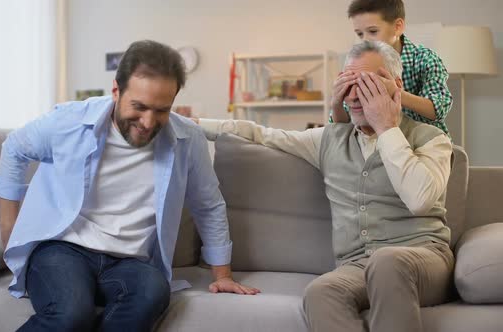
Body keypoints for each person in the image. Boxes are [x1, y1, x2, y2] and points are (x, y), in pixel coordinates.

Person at [0, 39, 259, 332]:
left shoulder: (188, 139)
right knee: (71, 313)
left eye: (162, 110)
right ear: (116, 91)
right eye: (140, 106)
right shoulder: (68, 121)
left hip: (130, 261)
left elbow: (207, 205)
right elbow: (14, 148)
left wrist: (222, 274)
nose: (148, 122)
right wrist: (9, 226)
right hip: (62, 249)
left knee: (152, 293)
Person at [194, 41, 454, 332]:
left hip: (423, 259)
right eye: (348, 83)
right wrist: (189, 124)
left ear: (396, 84)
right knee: (322, 291)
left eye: (367, 84)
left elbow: (420, 200)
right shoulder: (329, 139)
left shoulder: (430, 138)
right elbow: (259, 134)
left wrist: (386, 128)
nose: (354, 96)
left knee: (387, 261)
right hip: (357, 266)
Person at [331, 0, 453, 137]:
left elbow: (439, 108)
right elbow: (342, 127)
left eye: (373, 31)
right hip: (377, 146)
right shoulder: (357, 63)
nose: (365, 40)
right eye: (359, 34)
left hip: (424, 145)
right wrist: (336, 102)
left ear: (398, 27)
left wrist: (396, 92)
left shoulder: (424, 59)